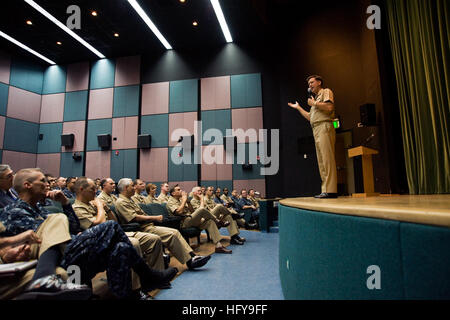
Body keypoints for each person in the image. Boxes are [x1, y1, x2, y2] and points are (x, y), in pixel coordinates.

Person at [0, 168, 178, 300]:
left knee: (121, 248)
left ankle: (129, 295)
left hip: (70, 249)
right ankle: (147, 275)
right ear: (27, 185)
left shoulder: (41, 208)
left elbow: (73, 226)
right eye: (42, 181)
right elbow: (43, 239)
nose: (47, 184)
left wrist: (65, 204)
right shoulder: (14, 211)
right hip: (53, 258)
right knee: (112, 227)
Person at [114, 178, 211, 270]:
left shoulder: (129, 200)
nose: (134, 188)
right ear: (126, 188)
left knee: (175, 232)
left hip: (148, 226)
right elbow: (134, 217)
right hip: (140, 229)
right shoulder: (121, 202)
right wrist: (154, 217)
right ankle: (190, 261)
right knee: (171, 234)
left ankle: (192, 257)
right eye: (132, 186)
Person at [288, 75, 338, 199]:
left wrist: (314, 103)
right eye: (309, 84)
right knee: (321, 161)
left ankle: (331, 190)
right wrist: (298, 107)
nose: (310, 85)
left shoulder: (326, 92)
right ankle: (325, 189)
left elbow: (329, 107)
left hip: (324, 126)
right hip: (316, 128)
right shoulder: (314, 101)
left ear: (319, 82)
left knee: (327, 159)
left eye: (312, 82)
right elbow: (310, 117)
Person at [167, 186, 232, 254]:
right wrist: (184, 200)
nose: (181, 191)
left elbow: (192, 211)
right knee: (201, 209)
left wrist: (188, 202)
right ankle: (218, 221)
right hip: (183, 222)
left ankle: (219, 246)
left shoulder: (180, 199)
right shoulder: (170, 201)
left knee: (210, 222)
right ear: (173, 193)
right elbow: (179, 212)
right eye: (178, 190)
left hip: (191, 219)